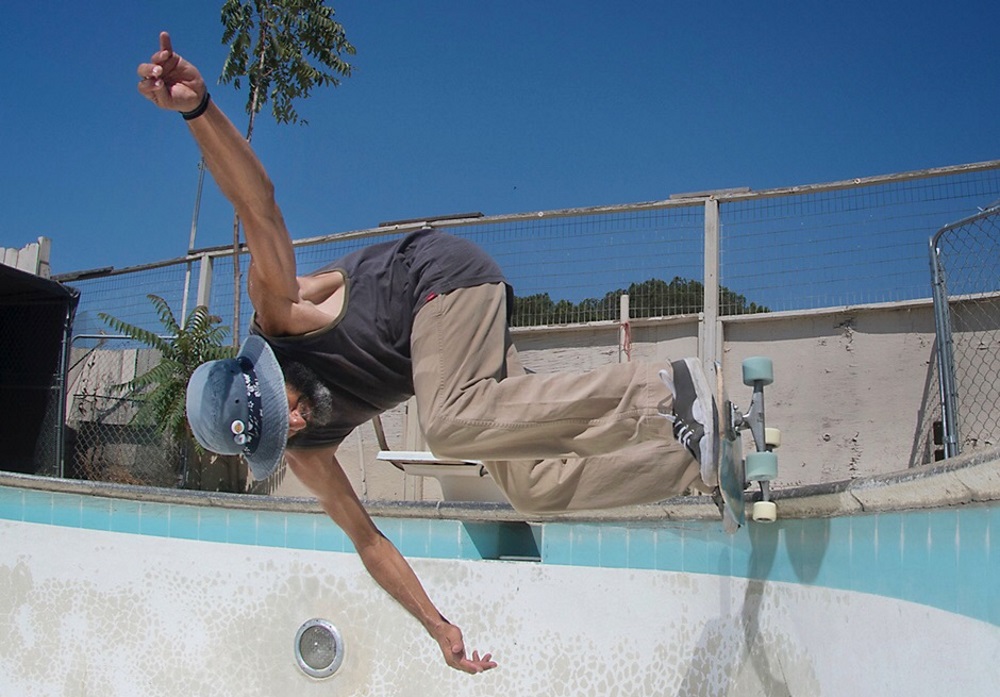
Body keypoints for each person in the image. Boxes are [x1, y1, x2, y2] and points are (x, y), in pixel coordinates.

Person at [137, 32, 718, 675]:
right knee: (530, 488)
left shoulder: (278, 311)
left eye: (286, 407)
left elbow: (256, 203)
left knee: (447, 422)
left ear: (265, 372)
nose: (297, 423)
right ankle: (690, 460)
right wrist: (438, 626)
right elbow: (368, 541)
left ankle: (662, 390)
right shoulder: (307, 457)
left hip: (438, 280)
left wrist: (199, 111)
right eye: (282, 429)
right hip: (455, 370)